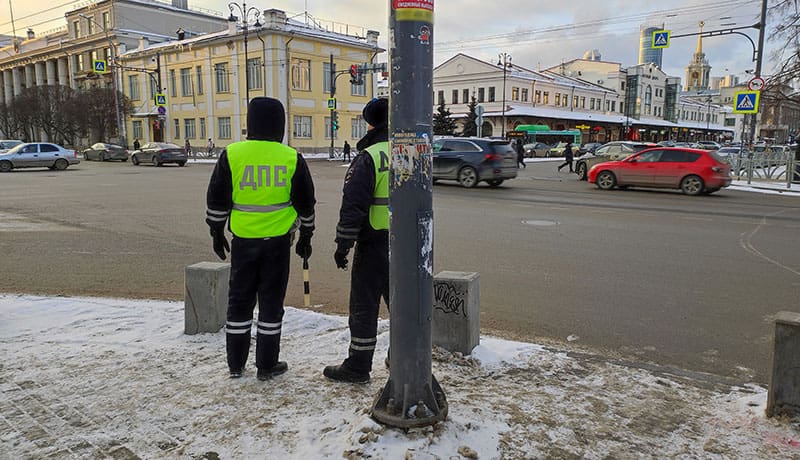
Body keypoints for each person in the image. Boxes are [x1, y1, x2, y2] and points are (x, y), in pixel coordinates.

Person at [205, 97, 316, 381]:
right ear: (280, 125)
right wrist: (306, 236)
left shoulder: (232, 154)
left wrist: (216, 232)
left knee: (239, 302)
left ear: (250, 124)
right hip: (278, 244)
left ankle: (235, 364)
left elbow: (217, 198)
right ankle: (267, 365)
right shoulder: (291, 157)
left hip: (243, 241)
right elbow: (306, 203)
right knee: (270, 305)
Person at [324, 97, 389, 383]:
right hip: (409, 245)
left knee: (364, 306)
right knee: (404, 306)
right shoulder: (413, 150)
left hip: (374, 244)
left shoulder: (370, 156)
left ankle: (358, 366)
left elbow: (354, 205)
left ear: (371, 123)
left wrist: (343, 244)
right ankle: (402, 358)